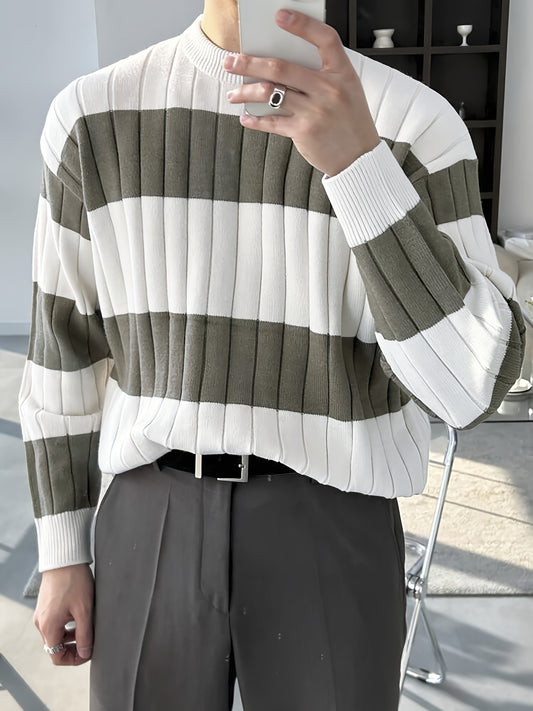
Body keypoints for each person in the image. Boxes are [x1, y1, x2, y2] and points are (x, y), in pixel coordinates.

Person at [19, 1, 525, 709]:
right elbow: (62, 353)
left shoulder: (415, 123)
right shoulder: (93, 115)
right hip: (149, 518)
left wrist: (359, 166)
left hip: (333, 521)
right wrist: (62, 549)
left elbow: (466, 388)